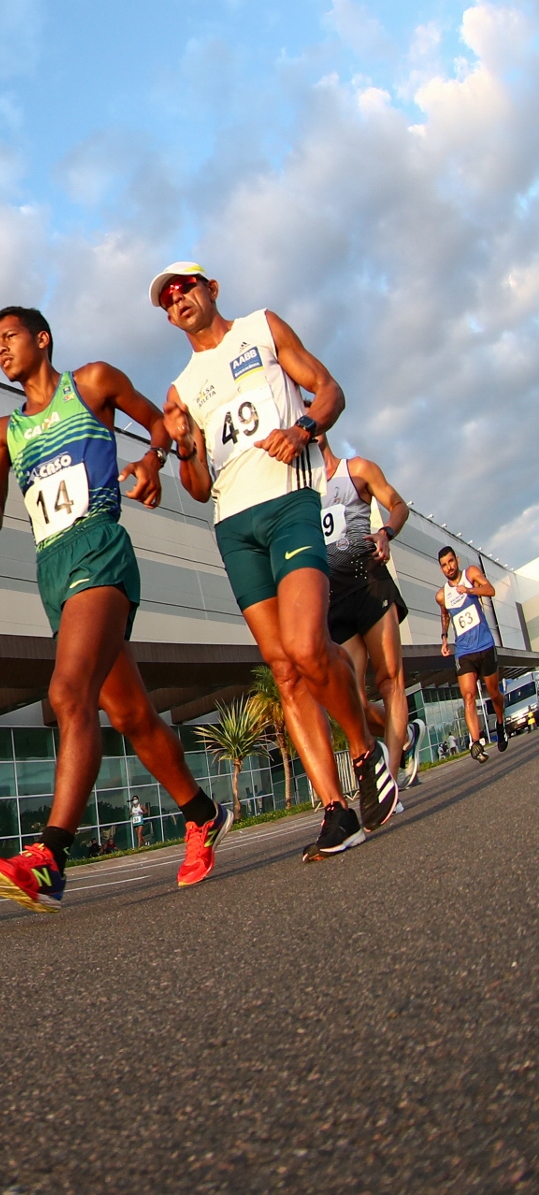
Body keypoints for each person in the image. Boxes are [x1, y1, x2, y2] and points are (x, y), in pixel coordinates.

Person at [0, 307, 232, 914]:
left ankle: (51, 858)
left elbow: (158, 424)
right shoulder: (6, 430)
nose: (1, 349)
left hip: (99, 547)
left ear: (42, 338)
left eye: (9, 337)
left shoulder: (91, 383)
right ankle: (202, 812)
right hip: (51, 568)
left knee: (67, 694)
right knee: (132, 714)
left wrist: (150, 462)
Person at [153, 263, 394, 861]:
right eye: (166, 299)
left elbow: (331, 389)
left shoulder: (261, 327)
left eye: (185, 288)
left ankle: (366, 751)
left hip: (289, 503)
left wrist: (305, 427)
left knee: (309, 647)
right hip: (234, 527)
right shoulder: (180, 390)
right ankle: (336, 811)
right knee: (284, 670)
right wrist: (184, 444)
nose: (177, 300)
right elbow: (197, 485)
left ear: (212, 289)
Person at [314, 432, 426, 794]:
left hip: (369, 582)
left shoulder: (357, 469)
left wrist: (385, 532)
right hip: (335, 599)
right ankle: (405, 733)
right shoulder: (299, 494)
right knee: (354, 702)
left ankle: (390, 780)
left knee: (390, 680)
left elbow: (398, 504)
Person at [436, 547, 506, 762]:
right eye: (444, 565)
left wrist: (469, 590)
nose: (449, 567)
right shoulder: (441, 595)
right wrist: (445, 638)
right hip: (464, 651)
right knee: (468, 696)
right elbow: (445, 615)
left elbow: (490, 590)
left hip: (484, 645)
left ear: (456, 560)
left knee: (494, 693)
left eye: (451, 562)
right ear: (441, 568)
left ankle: (500, 724)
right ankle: (476, 743)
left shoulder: (471, 573)